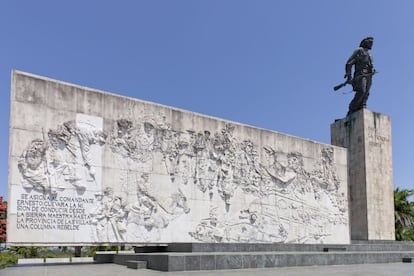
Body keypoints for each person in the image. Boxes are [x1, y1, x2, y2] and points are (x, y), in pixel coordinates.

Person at [344, 37, 375, 115]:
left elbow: (371, 66)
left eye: (372, 42)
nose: (372, 44)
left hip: (369, 76)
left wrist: (373, 70)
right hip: (360, 75)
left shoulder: (370, 55)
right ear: (365, 42)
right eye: (370, 42)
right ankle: (352, 108)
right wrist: (349, 76)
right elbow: (349, 63)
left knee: (366, 93)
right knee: (361, 91)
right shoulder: (359, 51)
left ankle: (362, 105)